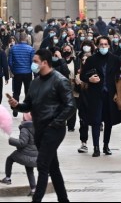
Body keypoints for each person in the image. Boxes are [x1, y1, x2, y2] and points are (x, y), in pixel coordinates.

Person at [7, 49, 76, 202]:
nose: (33, 64)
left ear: (45, 62)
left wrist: (56, 122)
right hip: (39, 128)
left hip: (53, 129)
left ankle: (36, 199)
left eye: (36, 62)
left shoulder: (60, 80)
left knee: (42, 164)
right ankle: (63, 199)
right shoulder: (35, 82)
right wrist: (17, 105)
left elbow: (70, 106)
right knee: (53, 167)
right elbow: (29, 105)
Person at [80, 36, 121, 157]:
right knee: (96, 121)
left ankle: (106, 145)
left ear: (109, 45)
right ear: (97, 46)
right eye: (101, 44)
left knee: (108, 121)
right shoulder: (91, 60)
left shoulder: (115, 59)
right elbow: (82, 75)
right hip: (95, 94)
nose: (103, 46)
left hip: (110, 95)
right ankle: (96, 147)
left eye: (105, 44)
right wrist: (89, 79)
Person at [1, 113, 37, 197]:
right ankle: (33, 189)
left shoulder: (25, 128)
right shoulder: (38, 127)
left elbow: (22, 143)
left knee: (10, 159)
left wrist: (10, 139)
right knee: (29, 170)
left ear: (25, 118)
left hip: (25, 154)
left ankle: (8, 178)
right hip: (35, 156)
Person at [8, 33, 34, 117]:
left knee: (16, 92)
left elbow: (10, 62)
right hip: (27, 72)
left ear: (18, 39)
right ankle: (27, 109)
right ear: (26, 38)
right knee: (28, 91)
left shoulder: (13, 48)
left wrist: (13, 70)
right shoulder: (30, 49)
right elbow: (32, 62)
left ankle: (15, 109)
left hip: (17, 73)